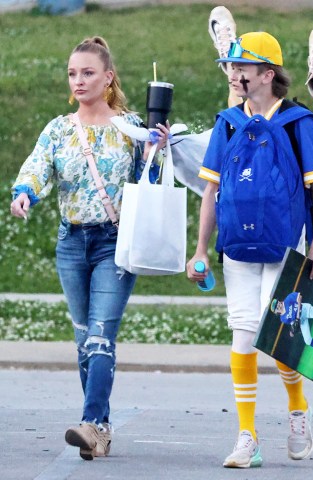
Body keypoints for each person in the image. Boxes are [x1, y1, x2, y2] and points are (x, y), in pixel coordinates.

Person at [10, 36, 169, 460]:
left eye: (88, 73)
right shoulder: (60, 128)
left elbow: (151, 186)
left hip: (114, 244)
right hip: (71, 242)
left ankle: (94, 424)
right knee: (84, 340)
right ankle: (99, 426)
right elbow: (38, 164)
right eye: (72, 73)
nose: (78, 81)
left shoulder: (131, 127)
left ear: (108, 77)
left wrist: (158, 150)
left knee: (101, 338)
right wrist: (25, 193)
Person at [186, 31, 313, 468]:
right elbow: (211, 190)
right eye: (231, 67)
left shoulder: (299, 123)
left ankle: (297, 409)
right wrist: (200, 249)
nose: (234, 73)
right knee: (244, 334)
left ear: (267, 74)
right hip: (237, 246)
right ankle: (247, 435)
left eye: (242, 67)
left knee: (282, 339)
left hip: (288, 245)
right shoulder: (227, 122)